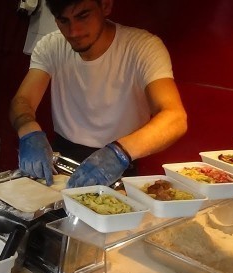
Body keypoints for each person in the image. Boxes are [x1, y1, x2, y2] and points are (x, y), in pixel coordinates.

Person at [10, 0, 187, 188]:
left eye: (83, 16)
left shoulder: (143, 47)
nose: (74, 32)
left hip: (120, 163)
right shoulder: (51, 46)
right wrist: (28, 130)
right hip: (61, 159)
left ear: (105, 6)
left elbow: (174, 117)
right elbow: (23, 100)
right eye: (63, 21)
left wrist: (119, 153)